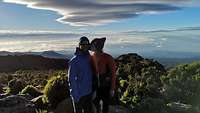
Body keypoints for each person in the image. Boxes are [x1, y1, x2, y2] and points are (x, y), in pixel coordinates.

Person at [90, 37, 116, 113]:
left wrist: (112, 88)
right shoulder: (92, 57)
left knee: (105, 106)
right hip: (95, 86)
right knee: (96, 104)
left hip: (105, 87)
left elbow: (113, 74)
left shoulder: (108, 58)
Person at [68, 36, 93, 113]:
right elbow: (71, 79)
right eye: (83, 44)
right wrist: (75, 95)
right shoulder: (74, 60)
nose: (85, 46)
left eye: (86, 44)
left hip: (89, 93)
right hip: (79, 94)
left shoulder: (90, 58)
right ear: (79, 45)